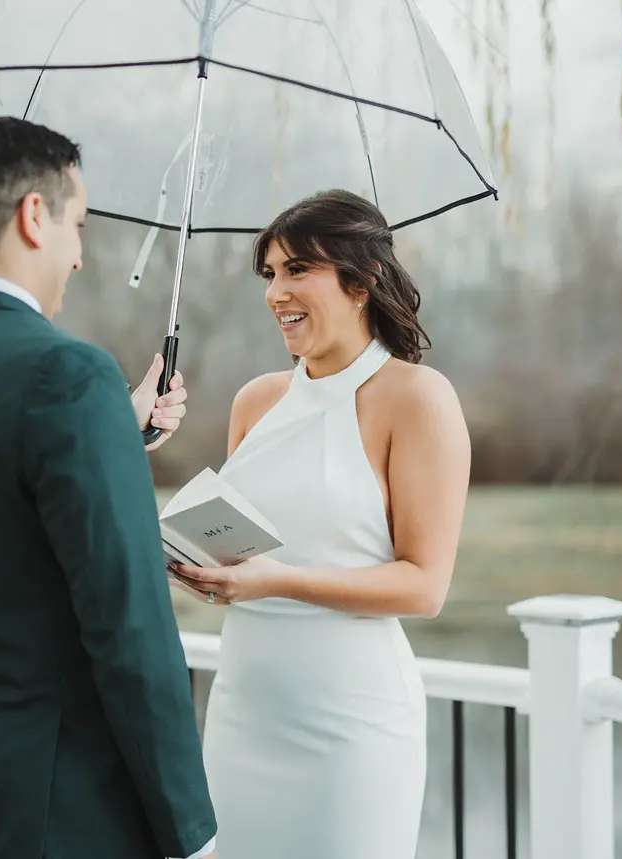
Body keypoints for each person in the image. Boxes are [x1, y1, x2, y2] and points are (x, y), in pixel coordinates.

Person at [0, 116, 217, 859]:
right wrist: (191, 831)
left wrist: (117, 430)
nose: (80, 256)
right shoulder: (67, 375)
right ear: (32, 216)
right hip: (54, 809)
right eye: (77, 225)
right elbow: (130, 624)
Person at [172, 189, 471, 859]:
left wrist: (277, 581)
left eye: (298, 269)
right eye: (270, 273)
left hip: (351, 729)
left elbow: (424, 586)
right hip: (242, 714)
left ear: (360, 282)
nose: (276, 290)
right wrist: (208, 569)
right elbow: (240, 546)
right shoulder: (255, 401)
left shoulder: (417, 398)